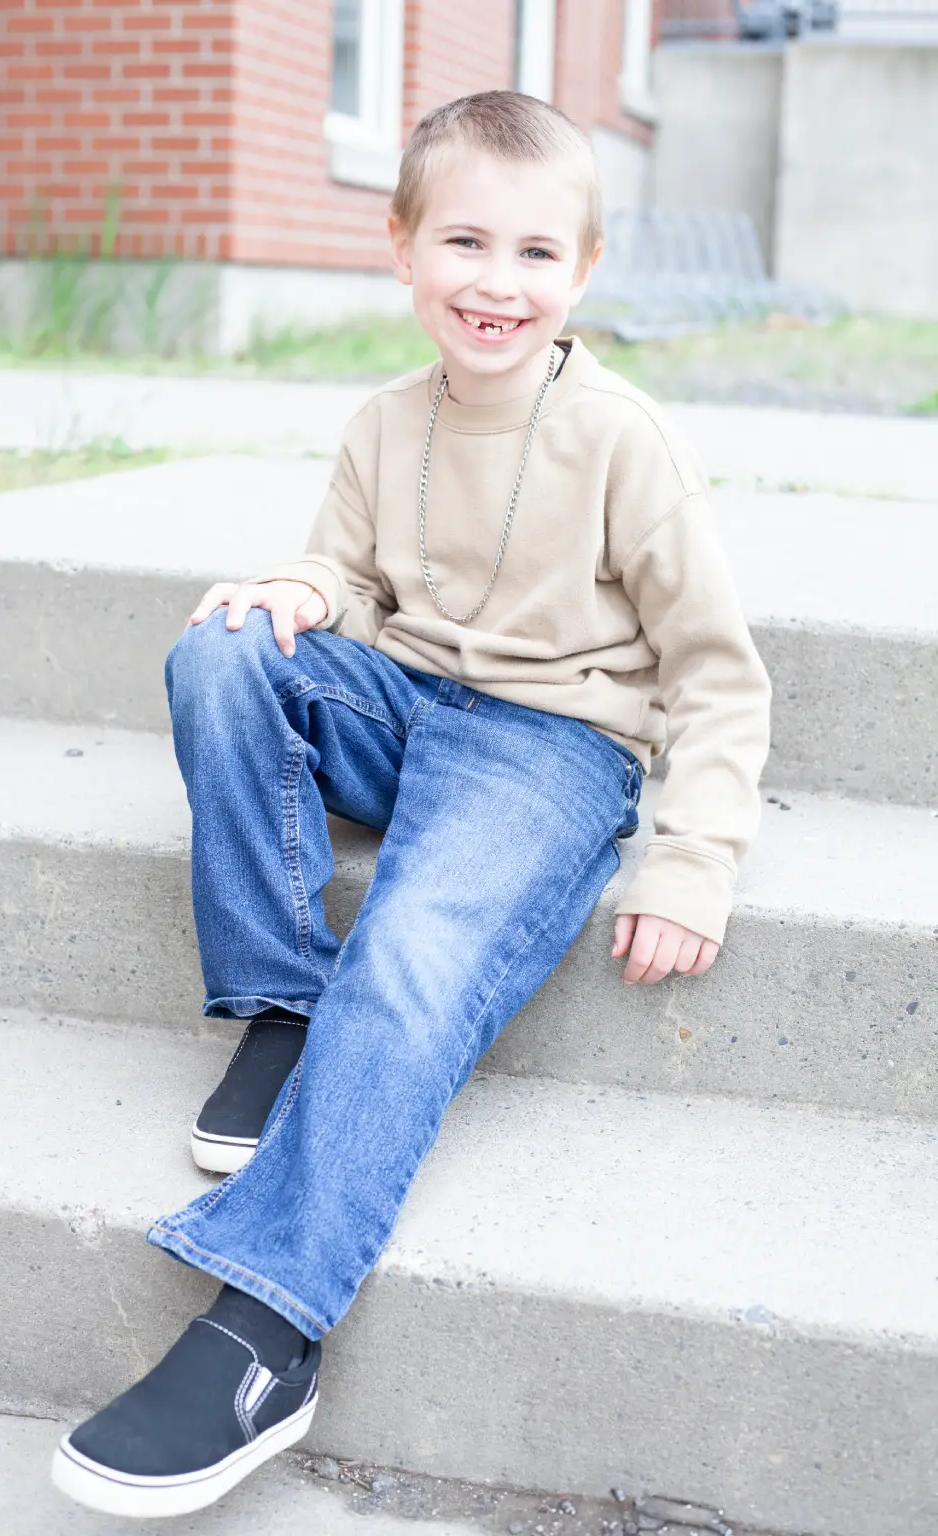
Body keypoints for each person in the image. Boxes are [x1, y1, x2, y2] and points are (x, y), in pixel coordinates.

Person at [51, 90, 771, 1518]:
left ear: (583, 271)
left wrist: (691, 860)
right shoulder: (387, 422)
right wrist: (297, 596)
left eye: (533, 255)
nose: (496, 283)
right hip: (406, 703)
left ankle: (266, 1329)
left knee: (412, 950)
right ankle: (278, 999)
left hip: (551, 748)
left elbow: (715, 673)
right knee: (223, 650)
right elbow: (353, 581)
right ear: (399, 250)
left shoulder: (626, 440)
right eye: (463, 243)